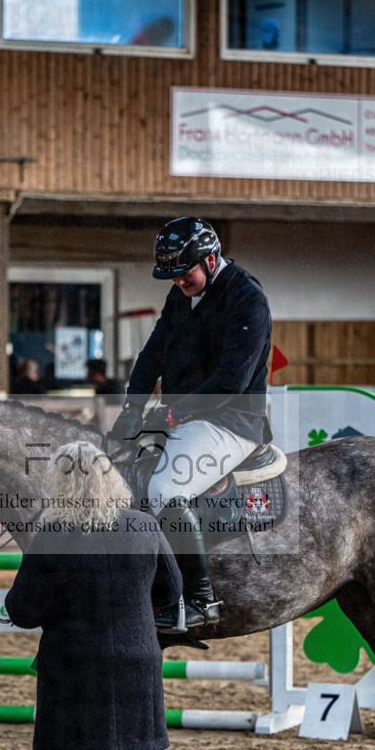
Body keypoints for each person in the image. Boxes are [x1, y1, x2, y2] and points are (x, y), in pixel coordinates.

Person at [5, 441, 182, 750]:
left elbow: (21, 611)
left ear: (57, 482)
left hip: (73, 668)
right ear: (110, 477)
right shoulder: (143, 525)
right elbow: (172, 589)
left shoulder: (52, 534)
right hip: (135, 665)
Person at [111, 217, 272, 633]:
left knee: (166, 486)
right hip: (186, 413)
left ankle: (200, 600)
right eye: (173, 276)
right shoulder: (180, 294)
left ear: (212, 258)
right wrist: (131, 409)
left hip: (232, 420)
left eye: (185, 273)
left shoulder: (246, 298)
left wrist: (172, 413)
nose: (179, 282)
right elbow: (152, 354)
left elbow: (231, 382)